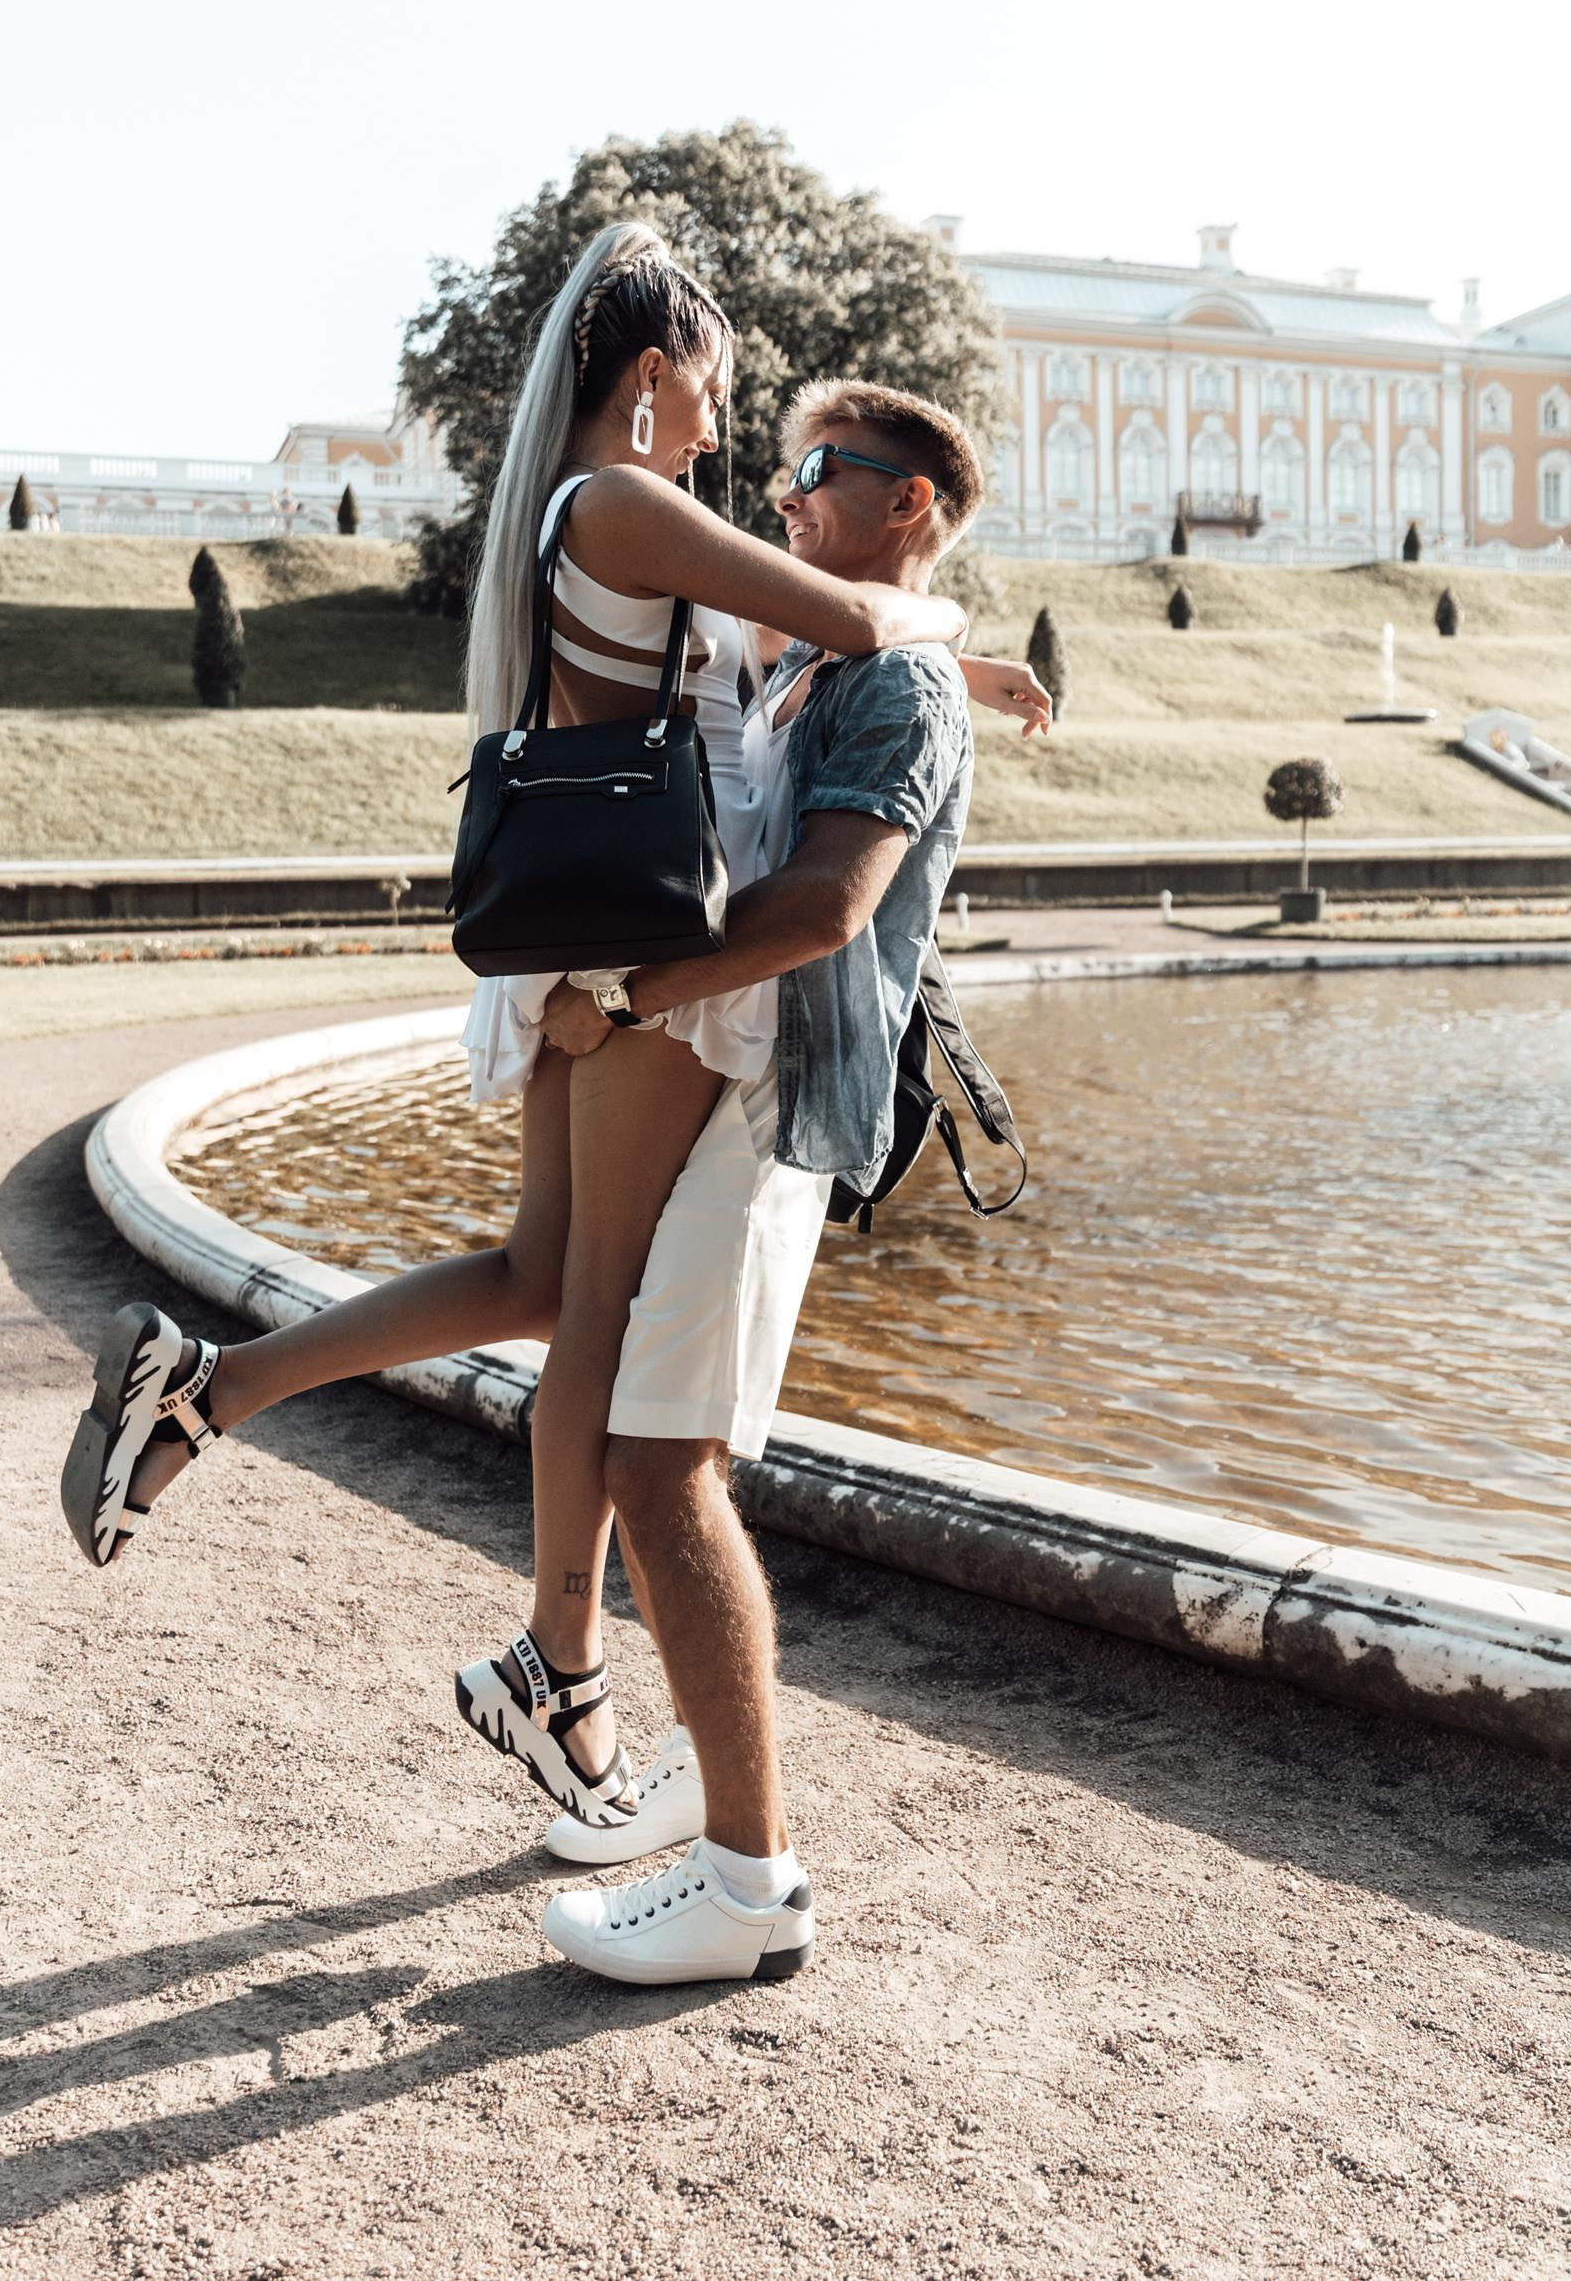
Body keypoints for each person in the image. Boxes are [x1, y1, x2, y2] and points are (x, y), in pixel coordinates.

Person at [59, 230, 1042, 1830]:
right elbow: (854, 629)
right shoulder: (622, 505)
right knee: (588, 1320)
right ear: (650, 377)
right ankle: (560, 1670)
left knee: (535, 1281)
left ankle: (209, 1391)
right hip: (646, 952)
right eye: (717, 399)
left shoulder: (599, 519)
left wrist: (947, 654)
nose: (728, 440)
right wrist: (957, 653)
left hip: (602, 926)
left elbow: (801, 646)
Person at [517, 372, 990, 1983]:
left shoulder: (889, 696)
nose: (783, 496)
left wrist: (625, 997)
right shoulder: (830, 668)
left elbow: (824, 910)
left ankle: (747, 1884)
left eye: (820, 472)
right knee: (658, 1451)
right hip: (730, 1093)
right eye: (783, 467)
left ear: (909, 503)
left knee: (665, 1467)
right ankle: (715, 1839)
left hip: (775, 1110)